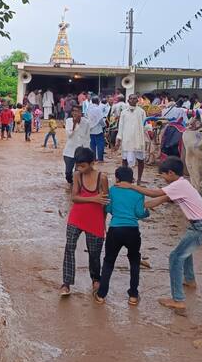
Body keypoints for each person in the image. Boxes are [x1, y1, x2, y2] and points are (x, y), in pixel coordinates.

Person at [125, 156, 202, 311]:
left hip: (201, 226)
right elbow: (158, 200)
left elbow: (153, 194)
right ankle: (190, 280)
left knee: (175, 257)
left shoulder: (179, 185)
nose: (163, 178)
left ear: (171, 173)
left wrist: (131, 186)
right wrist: (136, 208)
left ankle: (178, 300)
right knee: (185, 252)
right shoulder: (181, 185)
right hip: (200, 225)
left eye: (164, 175)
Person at [94, 166, 161, 305]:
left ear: (117, 178)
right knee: (134, 262)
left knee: (108, 262)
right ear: (132, 179)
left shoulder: (113, 190)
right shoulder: (138, 193)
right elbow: (139, 213)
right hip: (132, 230)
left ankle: (101, 295)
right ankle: (133, 296)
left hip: (115, 229)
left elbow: (109, 208)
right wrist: (147, 212)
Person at [59, 147, 109, 296]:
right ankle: (66, 283)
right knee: (70, 246)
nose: (80, 169)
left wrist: (103, 222)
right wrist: (93, 198)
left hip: (95, 218)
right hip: (77, 217)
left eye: (83, 166)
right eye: (78, 166)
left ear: (92, 163)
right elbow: (74, 197)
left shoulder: (102, 178)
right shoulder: (77, 176)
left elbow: (105, 202)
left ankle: (95, 279)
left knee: (94, 252)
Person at [117, 94, 147, 184]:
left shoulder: (141, 112)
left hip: (138, 140)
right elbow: (121, 126)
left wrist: (149, 130)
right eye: (131, 99)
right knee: (124, 159)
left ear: (137, 100)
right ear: (128, 100)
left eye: (135, 99)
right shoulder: (124, 112)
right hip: (127, 139)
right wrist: (119, 138)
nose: (133, 100)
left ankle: (139, 179)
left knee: (141, 160)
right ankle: (126, 179)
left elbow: (145, 124)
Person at [63, 105, 90, 185]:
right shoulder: (68, 121)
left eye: (78, 111)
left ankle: (75, 188)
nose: (76, 113)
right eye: (74, 111)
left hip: (81, 151)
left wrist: (88, 152)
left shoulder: (86, 122)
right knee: (68, 173)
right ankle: (71, 184)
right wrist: (74, 124)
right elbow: (69, 135)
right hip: (69, 151)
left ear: (81, 113)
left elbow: (87, 137)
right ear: (71, 113)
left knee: (78, 173)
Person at [87, 97, 106, 162]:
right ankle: (100, 159)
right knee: (100, 145)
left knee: (92, 145)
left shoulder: (89, 109)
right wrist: (104, 125)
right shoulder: (98, 109)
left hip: (90, 130)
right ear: (98, 101)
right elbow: (100, 119)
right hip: (98, 129)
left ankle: (93, 158)